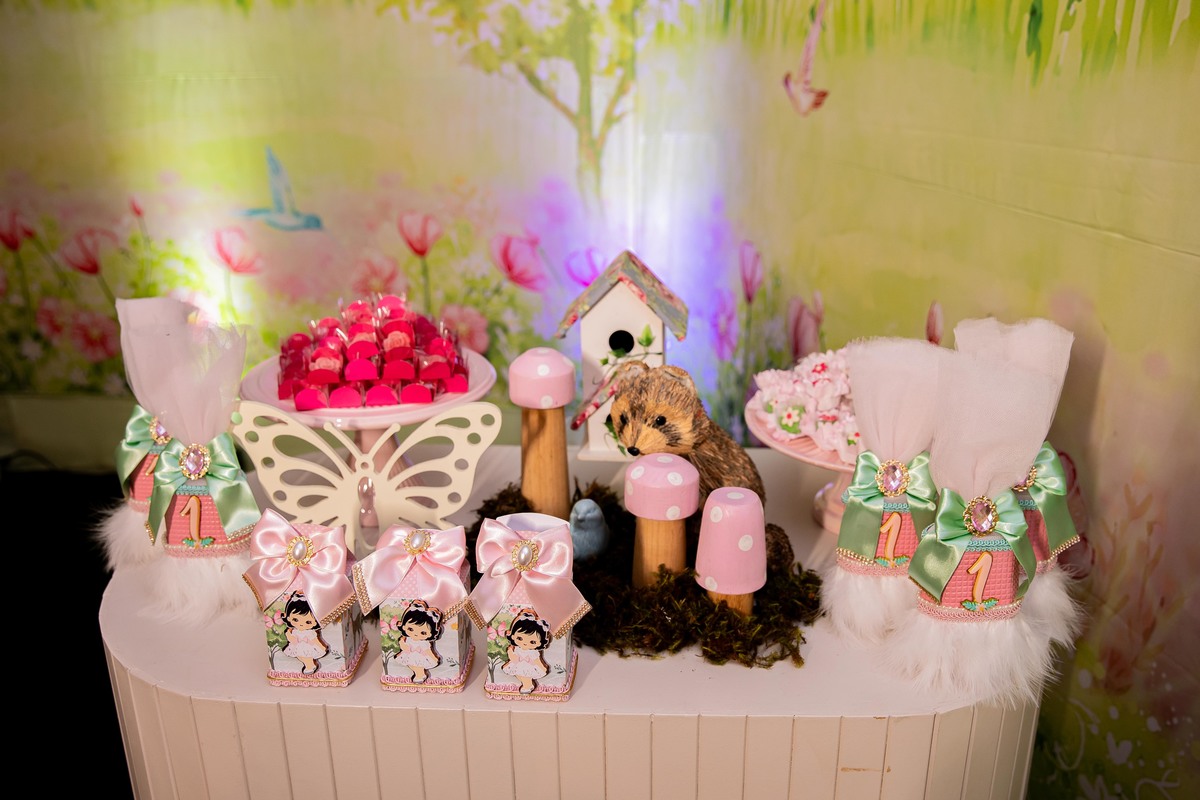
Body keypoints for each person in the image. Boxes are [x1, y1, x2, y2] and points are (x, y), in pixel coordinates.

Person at [501, 609, 550, 694]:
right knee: (518, 675)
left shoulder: (533, 652)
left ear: (540, 643)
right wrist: (510, 652)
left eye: (532, 642)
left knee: (526, 676)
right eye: (520, 638)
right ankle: (528, 684)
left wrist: (543, 668)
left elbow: (537, 660)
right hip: (518, 664)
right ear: (513, 635)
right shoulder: (517, 648)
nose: (525, 643)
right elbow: (513, 656)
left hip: (529, 667)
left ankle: (527, 686)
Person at [394, 600, 442, 684]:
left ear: (431, 634)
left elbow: (428, 650)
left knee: (418, 666)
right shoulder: (408, 638)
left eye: (423, 633)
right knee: (411, 665)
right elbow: (403, 643)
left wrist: (434, 658)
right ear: (404, 626)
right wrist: (403, 645)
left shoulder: (424, 643)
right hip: (409, 654)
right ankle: (419, 674)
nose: (415, 634)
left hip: (420, 657)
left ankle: (420, 675)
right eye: (410, 629)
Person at [282, 593, 328, 675]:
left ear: (315, 622)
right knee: (299, 656)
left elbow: (315, 640)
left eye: (308, 622)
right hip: (297, 646)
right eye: (295, 620)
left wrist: (322, 647)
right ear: (288, 618)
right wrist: (289, 635)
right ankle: (310, 665)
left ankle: (310, 666)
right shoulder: (295, 630)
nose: (301, 624)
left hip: (308, 647)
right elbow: (290, 636)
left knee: (307, 657)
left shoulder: (310, 632)